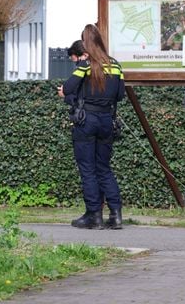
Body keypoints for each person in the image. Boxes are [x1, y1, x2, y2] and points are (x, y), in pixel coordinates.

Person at [57, 24, 125, 230]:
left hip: (87, 122)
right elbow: (120, 95)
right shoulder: (115, 65)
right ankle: (115, 215)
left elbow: (68, 88)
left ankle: (94, 216)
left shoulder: (87, 65)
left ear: (86, 42)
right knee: (104, 168)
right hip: (106, 121)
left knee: (87, 169)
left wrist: (65, 94)